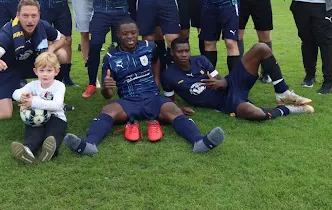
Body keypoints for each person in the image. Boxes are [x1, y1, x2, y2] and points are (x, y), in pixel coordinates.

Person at [64, 19, 225, 155]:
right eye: (125, 34)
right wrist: (106, 87)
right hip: (128, 100)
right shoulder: (111, 57)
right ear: (118, 35)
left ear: (137, 32)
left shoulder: (149, 46)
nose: (130, 37)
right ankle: (89, 145)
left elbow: (156, 62)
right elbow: (107, 94)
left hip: (153, 98)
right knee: (107, 110)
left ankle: (199, 142)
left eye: (133, 33)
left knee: (174, 110)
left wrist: (155, 83)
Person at [162, 38, 314, 120]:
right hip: (224, 101)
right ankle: (288, 109)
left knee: (261, 47)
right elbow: (170, 101)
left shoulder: (200, 60)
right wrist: (180, 109)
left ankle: (282, 93)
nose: (184, 55)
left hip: (231, 84)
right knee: (253, 113)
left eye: (186, 51)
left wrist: (221, 82)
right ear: (172, 53)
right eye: (180, 52)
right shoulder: (168, 76)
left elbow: (220, 80)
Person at [0, 0, 67, 120]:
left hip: (31, 65)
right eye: (25, 16)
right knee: (5, 115)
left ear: (39, 15)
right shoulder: (7, 32)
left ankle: (52, 92)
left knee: (62, 54)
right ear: (18, 15)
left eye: (34, 16)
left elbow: (62, 38)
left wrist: (51, 49)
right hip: (8, 69)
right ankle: (14, 87)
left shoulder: (43, 25)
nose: (30, 20)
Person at [11, 52, 66, 164]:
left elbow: (57, 105)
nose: (45, 74)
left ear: (56, 71)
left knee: (52, 135)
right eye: (41, 70)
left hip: (56, 117)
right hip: (36, 118)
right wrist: (20, 96)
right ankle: (28, 151)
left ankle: (49, 152)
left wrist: (33, 102)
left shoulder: (59, 86)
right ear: (36, 71)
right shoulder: (33, 85)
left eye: (49, 70)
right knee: (34, 131)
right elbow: (15, 93)